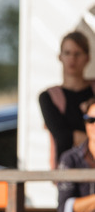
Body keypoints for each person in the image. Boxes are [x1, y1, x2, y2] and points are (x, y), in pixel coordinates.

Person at [39, 31, 95, 167]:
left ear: (87, 58)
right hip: (67, 172)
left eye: (78, 54)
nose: (72, 59)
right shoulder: (48, 96)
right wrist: (91, 140)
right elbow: (62, 137)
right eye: (67, 53)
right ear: (60, 57)